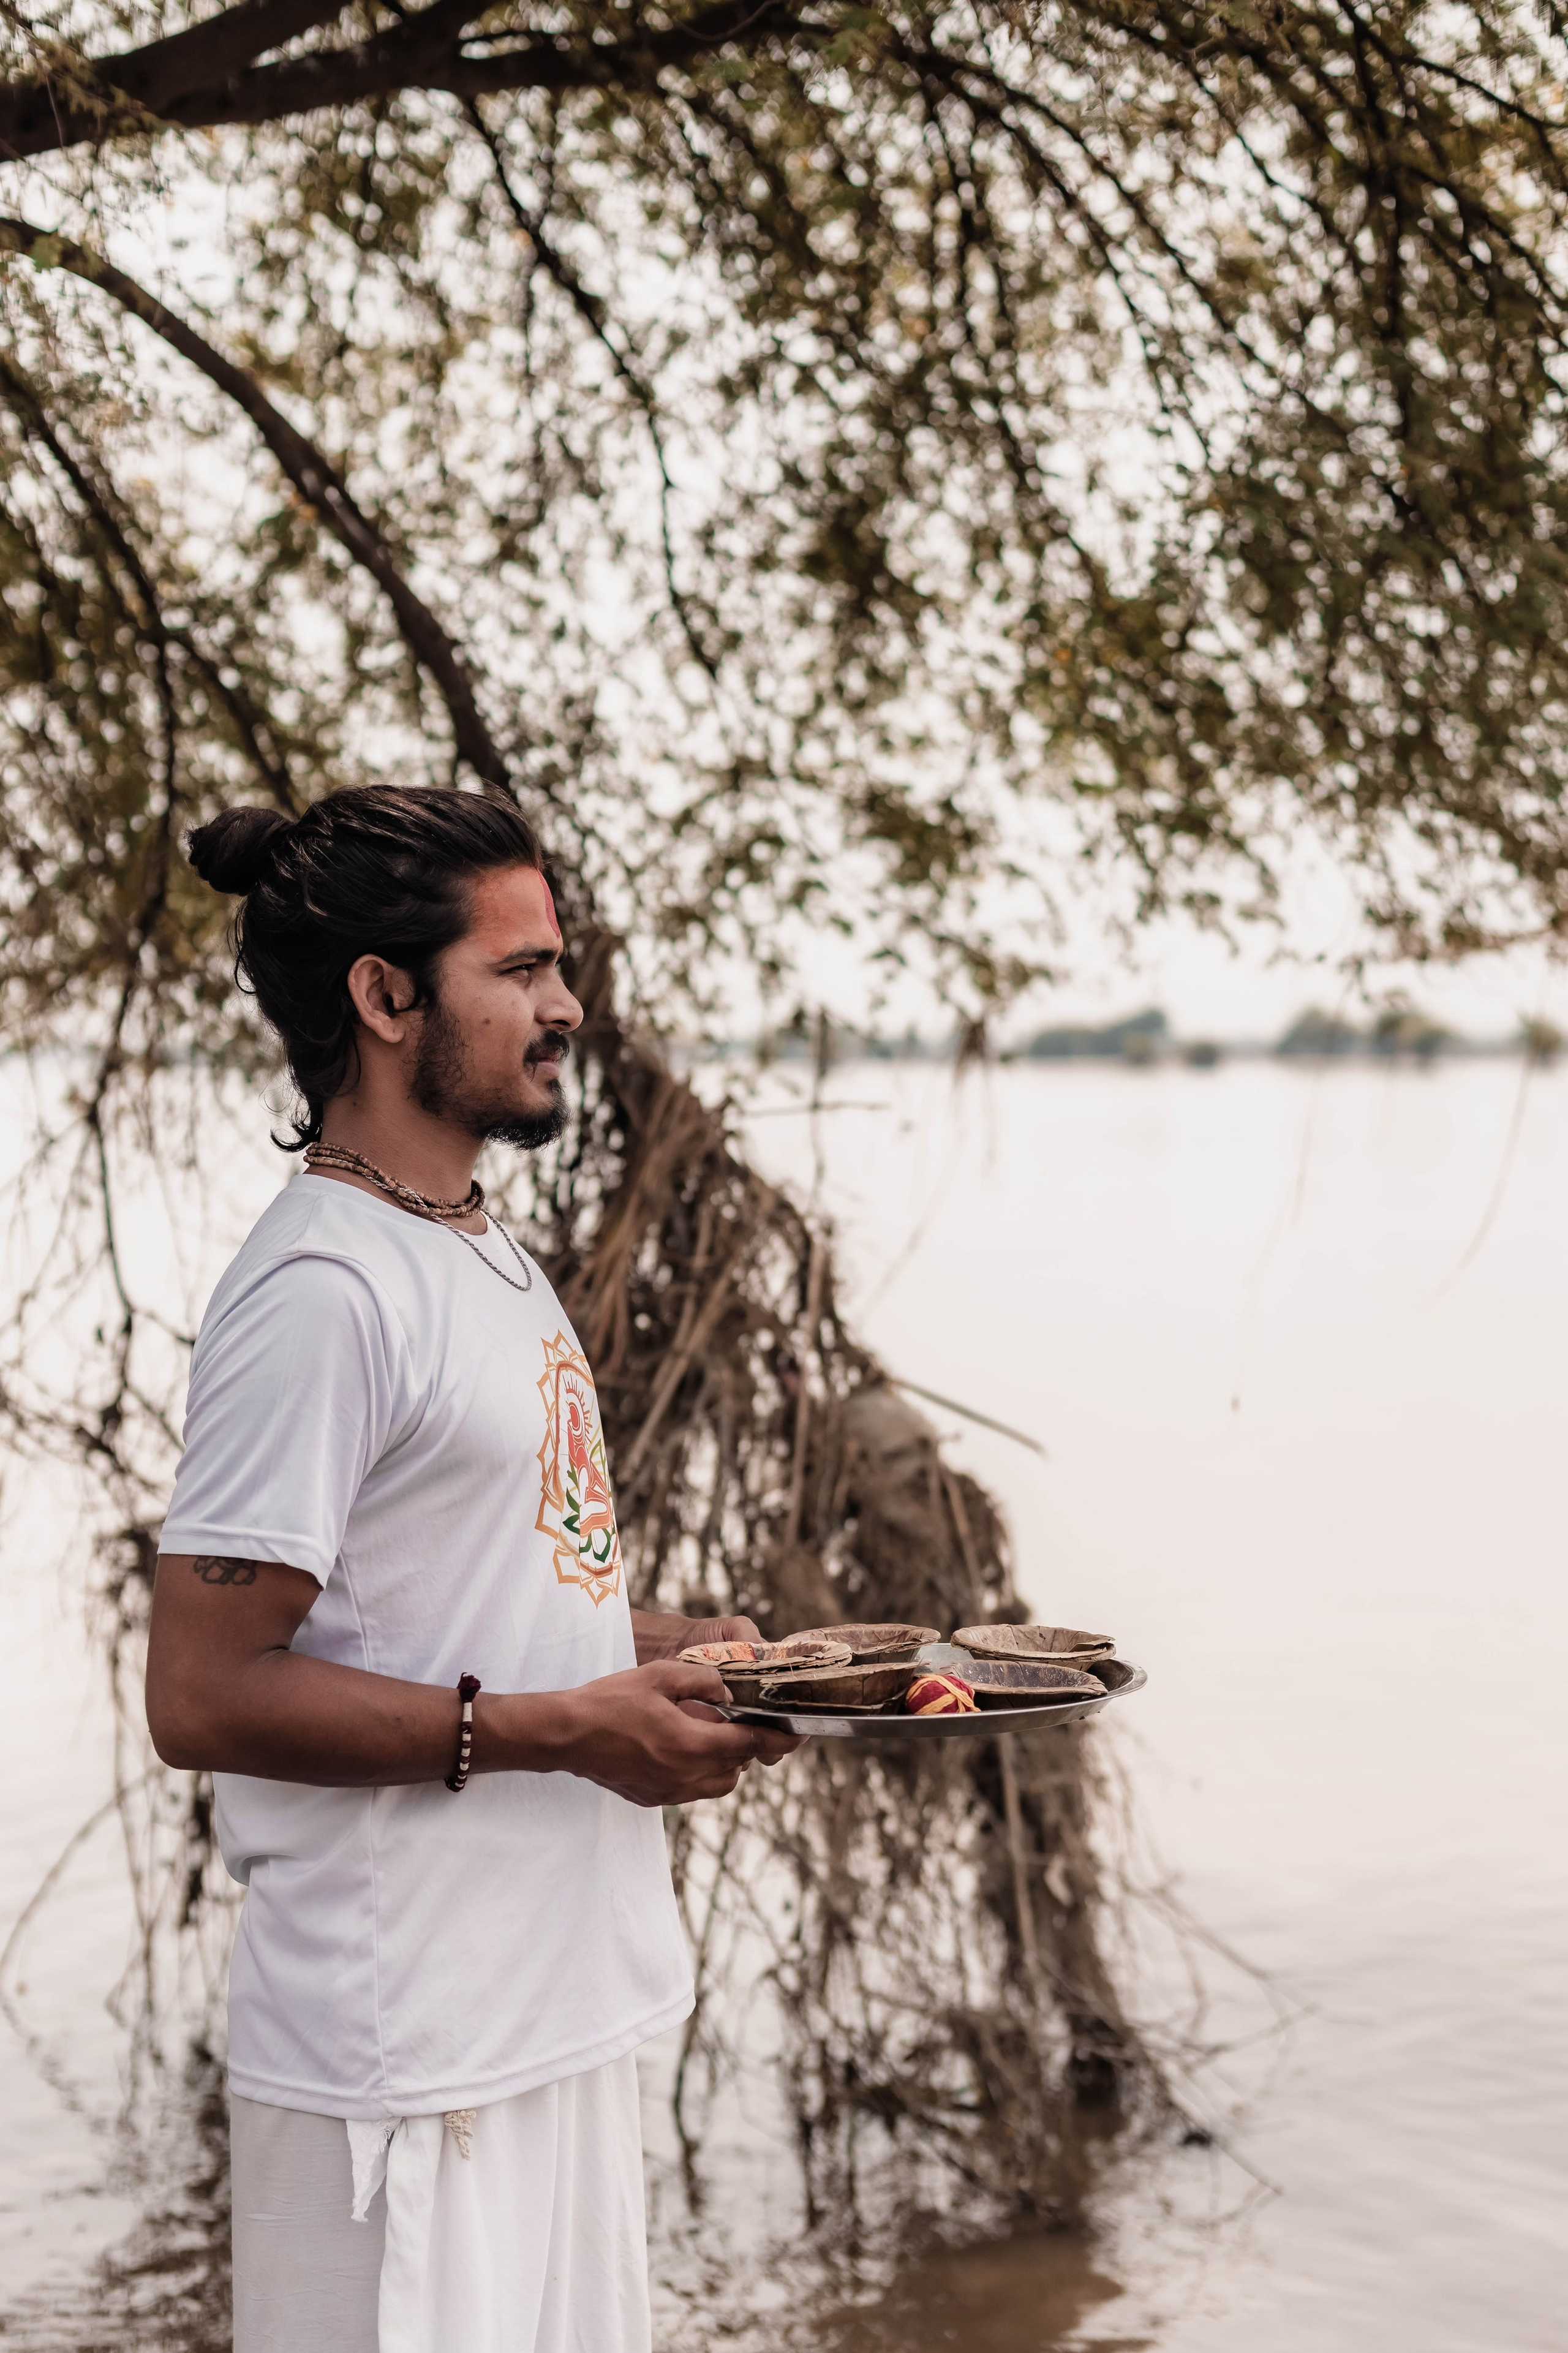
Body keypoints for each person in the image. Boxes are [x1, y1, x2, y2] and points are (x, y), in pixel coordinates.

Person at [144, 785, 797, 2353]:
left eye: (556, 964)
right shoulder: (319, 1291)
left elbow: (458, 1590)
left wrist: (652, 1648)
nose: (565, 1005)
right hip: (402, 2062)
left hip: (550, 2015)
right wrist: (571, 1728)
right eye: (519, 970)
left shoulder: (473, 1249)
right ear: (384, 996)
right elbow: (204, 1690)